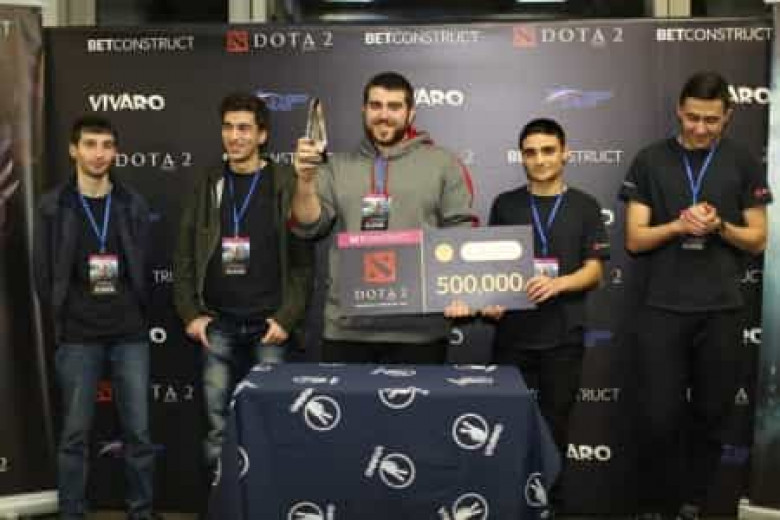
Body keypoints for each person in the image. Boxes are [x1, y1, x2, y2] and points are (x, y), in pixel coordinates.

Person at [620, 71, 771, 520]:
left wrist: (720, 226)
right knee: (659, 418)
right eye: (691, 118)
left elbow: (758, 239)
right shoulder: (650, 160)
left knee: (713, 415)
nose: (700, 128)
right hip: (663, 308)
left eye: (711, 120)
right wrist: (678, 226)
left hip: (722, 310)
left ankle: (696, 504)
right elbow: (634, 240)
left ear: (728, 117)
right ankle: (658, 506)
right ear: (678, 111)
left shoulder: (743, 161)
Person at [292, 71, 477, 364]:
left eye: (394, 106)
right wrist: (305, 180)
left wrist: (463, 291)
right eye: (376, 105)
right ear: (364, 110)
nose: (384, 115)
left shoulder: (443, 163)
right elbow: (308, 226)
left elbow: (461, 230)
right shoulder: (336, 166)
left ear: (410, 113)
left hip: (420, 330)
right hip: (348, 329)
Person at [173, 93, 313, 472]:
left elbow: (303, 262)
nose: (234, 136)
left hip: (270, 325)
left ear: (262, 135)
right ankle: (221, 497)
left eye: (244, 129)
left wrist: (286, 318)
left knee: (274, 420)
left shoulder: (285, 182)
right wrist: (190, 314)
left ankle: (270, 496)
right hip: (217, 324)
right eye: (228, 127)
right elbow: (184, 253)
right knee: (217, 425)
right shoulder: (208, 182)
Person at [33, 116, 159, 520]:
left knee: (139, 433)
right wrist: (66, 315)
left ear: (116, 152)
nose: (99, 154)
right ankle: (72, 512)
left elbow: (144, 265)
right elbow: (43, 275)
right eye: (90, 144)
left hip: (130, 333)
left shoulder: (131, 203)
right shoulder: (53, 206)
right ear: (74, 150)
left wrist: (135, 312)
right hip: (78, 336)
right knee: (74, 436)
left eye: (106, 145)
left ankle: (142, 511)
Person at [482, 118, 609, 515]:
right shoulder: (505, 204)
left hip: (563, 337)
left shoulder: (586, 205)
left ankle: (551, 507)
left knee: (555, 430)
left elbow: (595, 271)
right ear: (522, 157)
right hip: (513, 336)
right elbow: (490, 269)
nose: (540, 159)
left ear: (565, 153)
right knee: (505, 428)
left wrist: (558, 284)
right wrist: (490, 299)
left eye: (548, 151)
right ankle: (507, 505)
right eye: (531, 152)